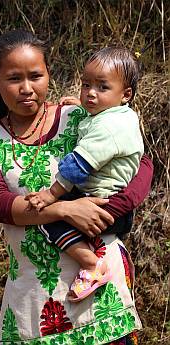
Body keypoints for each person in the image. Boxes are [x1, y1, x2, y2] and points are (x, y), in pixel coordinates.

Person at [0, 29, 153, 344]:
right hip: (34, 296)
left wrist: (106, 211)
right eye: (14, 79)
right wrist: (65, 209)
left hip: (101, 290)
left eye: (35, 76)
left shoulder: (79, 116)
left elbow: (141, 165)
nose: (27, 89)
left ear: (48, 75)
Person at [25, 47, 144, 302]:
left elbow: (79, 164)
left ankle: (91, 265)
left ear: (126, 95)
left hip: (103, 203)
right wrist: (85, 107)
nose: (90, 93)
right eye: (86, 84)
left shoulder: (110, 127)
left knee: (49, 219)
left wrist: (50, 195)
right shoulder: (119, 116)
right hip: (111, 202)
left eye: (102, 88)